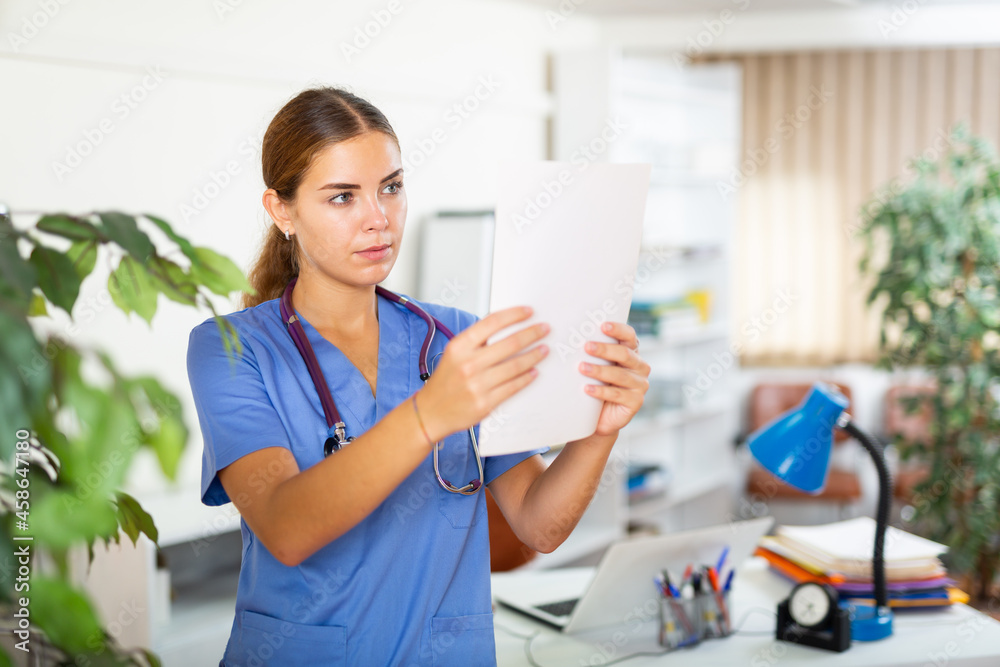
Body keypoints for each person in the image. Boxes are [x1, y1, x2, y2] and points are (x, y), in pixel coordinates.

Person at [186, 86, 651, 666]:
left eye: (391, 187)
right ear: (282, 210)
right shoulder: (231, 350)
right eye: (342, 197)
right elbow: (286, 527)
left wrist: (600, 430)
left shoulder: (455, 338)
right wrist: (430, 414)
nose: (378, 219)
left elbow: (539, 524)